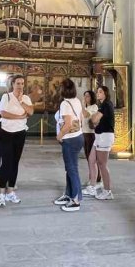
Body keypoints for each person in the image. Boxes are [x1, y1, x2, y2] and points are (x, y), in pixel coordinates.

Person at [0, 74, 33, 207]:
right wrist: (19, 117)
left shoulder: (26, 98)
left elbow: (31, 112)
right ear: (13, 84)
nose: (20, 86)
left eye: (22, 83)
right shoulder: (6, 96)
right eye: (18, 83)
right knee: (6, 162)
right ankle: (1, 193)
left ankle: (10, 191)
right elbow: (3, 113)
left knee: (15, 162)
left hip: (20, 133)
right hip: (6, 132)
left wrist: (22, 101)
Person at [53, 79, 85, 212]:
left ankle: (76, 200)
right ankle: (68, 194)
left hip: (70, 139)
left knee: (72, 169)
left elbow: (67, 124)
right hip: (78, 136)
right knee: (71, 169)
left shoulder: (65, 103)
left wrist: (59, 136)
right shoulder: (76, 100)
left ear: (62, 90)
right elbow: (81, 118)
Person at [87, 85, 115, 200]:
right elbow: (93, 122)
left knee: (102, 164)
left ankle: (107, 191)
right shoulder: (102, 105)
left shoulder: (106, 105)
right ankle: (93, 187)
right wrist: (94, 119)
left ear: (105, 93)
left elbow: (93, 120)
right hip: (99, 136)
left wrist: (94, 118)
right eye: (97, 92)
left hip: (105, 136)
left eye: (100, 92)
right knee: (91, 159)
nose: (98, 93)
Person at [80, 90, 99, 194]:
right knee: (88, 157)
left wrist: (82, 107)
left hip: (91, 134)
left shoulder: (94, 107)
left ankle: (97, 179)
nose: (85, 98)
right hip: (84, 133)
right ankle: (92, 177)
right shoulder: (86, 107)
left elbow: (87, 115)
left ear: (91, 97)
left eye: (87, 96)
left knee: (92, 159)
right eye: (84, 96)